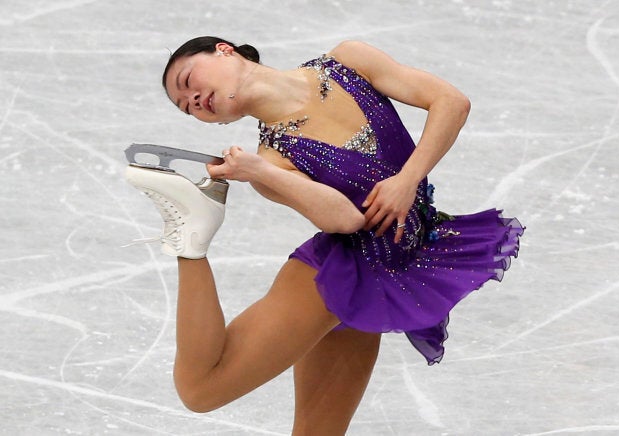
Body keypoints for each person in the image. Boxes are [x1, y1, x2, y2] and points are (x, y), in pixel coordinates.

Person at [125, 36, 524, 434]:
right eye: (186, 106)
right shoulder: (270, 163)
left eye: (189, 80)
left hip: (389, 275)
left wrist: (407, 179)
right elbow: (345, 219)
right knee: (200, 390)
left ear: (225, 50)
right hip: (339, 278)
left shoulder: (348, 62)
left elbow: (451, 102)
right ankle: (191, 239)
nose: (193, 100)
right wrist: (260, 173)